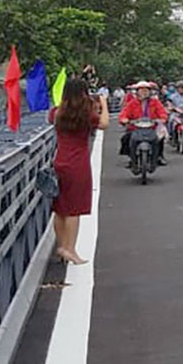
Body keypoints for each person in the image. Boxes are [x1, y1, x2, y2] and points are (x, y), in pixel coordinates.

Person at [48, 79, 109, 265]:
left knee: (60, 208)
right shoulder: (85, 114)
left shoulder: (56, 112)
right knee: (74, 209)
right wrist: (103, 104)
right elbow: (104, 124)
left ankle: (61, 245)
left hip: (59, 161)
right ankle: (70, 249)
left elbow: (51, 121)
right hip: (78, 164)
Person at [119, 81, 169, 165]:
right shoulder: (132, 103)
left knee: (160, 137)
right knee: (126, 138)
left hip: (152, 127)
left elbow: (162, 112)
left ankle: (159, 156)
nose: (144, 92)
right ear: (137, 92)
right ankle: (131, 157)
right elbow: (124, 113)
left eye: (146, 90)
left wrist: (162, 119)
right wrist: (124, 119)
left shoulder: (155, 102)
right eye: (141, 90)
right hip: (135, 128)